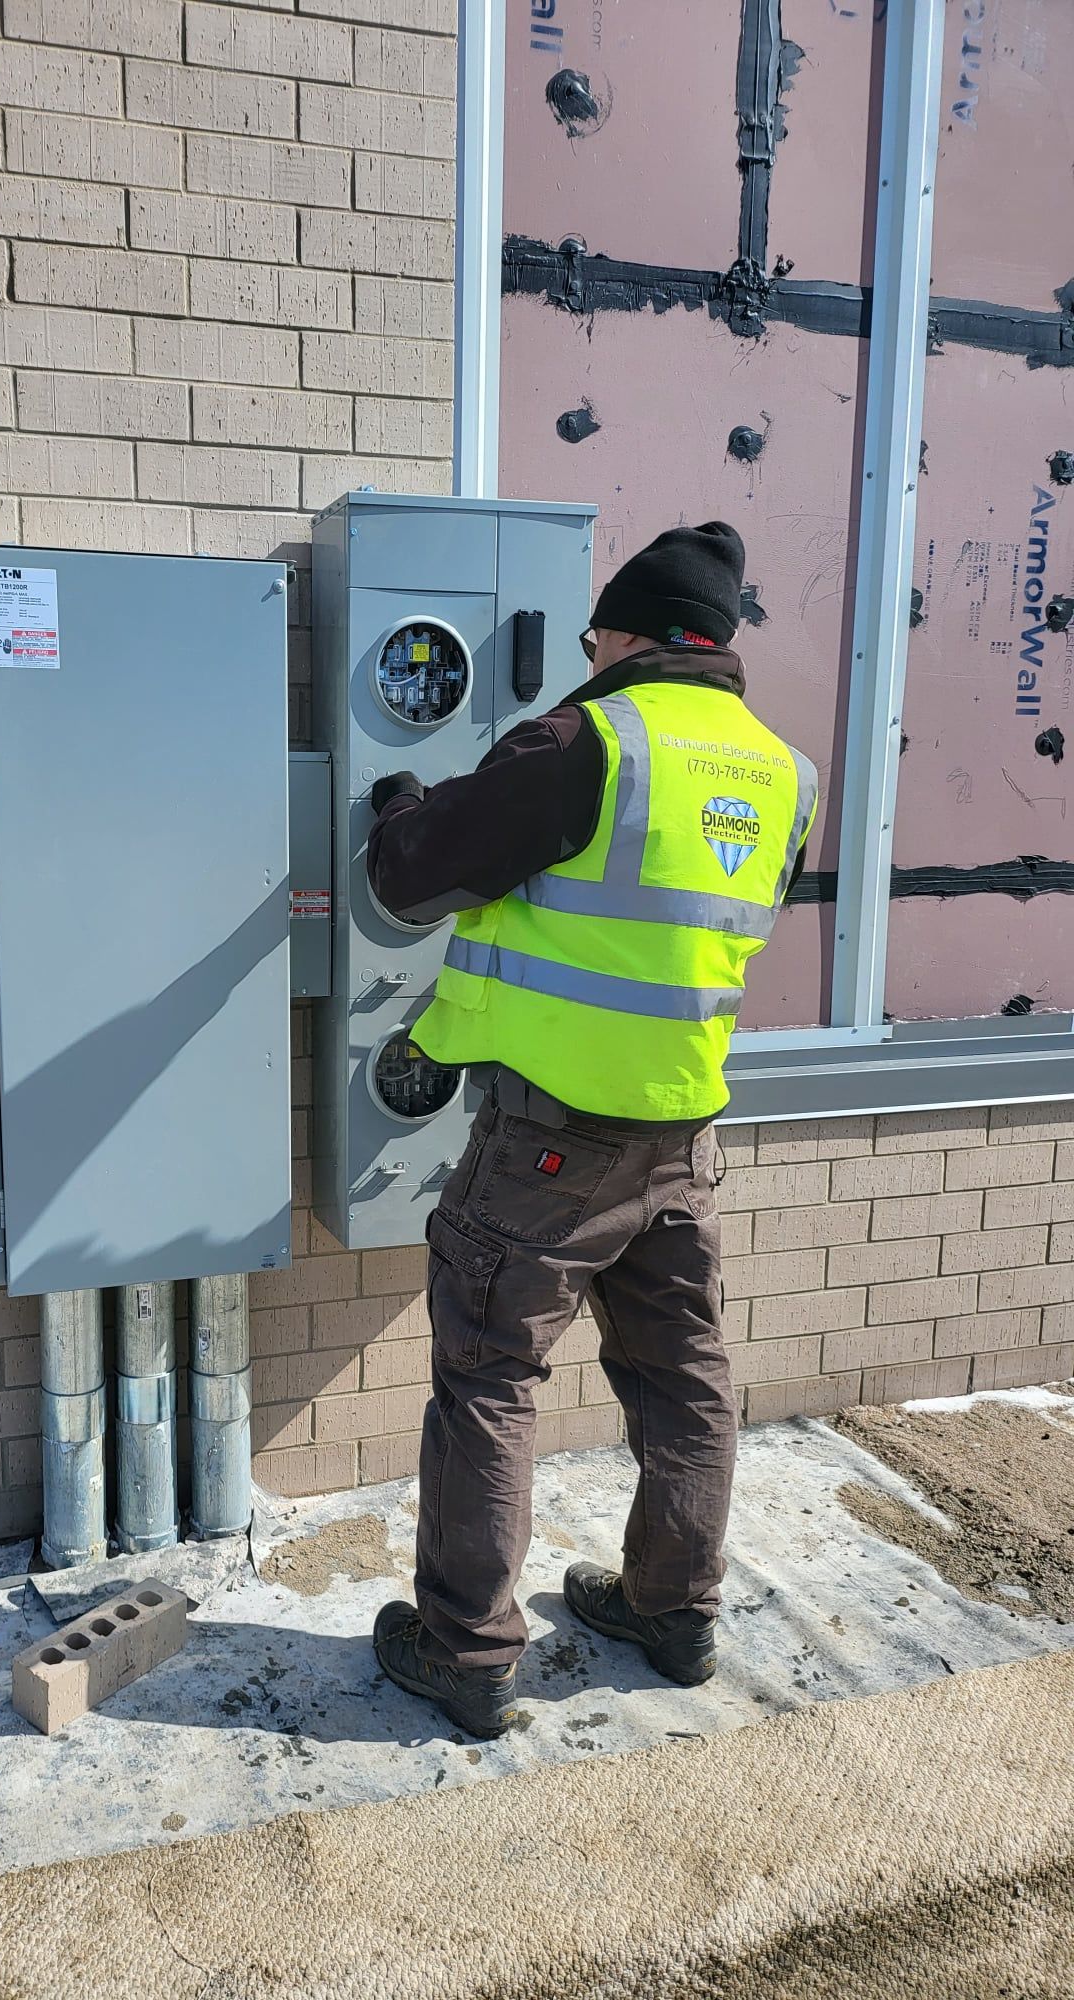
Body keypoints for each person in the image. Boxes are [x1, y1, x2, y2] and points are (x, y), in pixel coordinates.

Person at [366, 521, 816, 1739]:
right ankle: (676, 1609)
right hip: (682, 1138)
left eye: (593, 633)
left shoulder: (589, 736)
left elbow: (410, 879)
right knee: (685, 1381)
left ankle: (465, 1649)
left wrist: (401, 804)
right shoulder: (785, 771)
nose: (587, 650)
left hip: (548, 1147)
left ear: (624, 633)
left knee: (488, 1376)